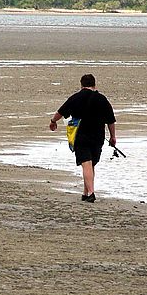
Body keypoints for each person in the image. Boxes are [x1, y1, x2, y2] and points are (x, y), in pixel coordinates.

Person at [49, 74, 116, 203]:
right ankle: (85, 193)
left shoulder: (75, 98)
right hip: (98, 136)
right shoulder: (102, 99)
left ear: (81, 85)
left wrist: (53, 121)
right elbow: (111, 120)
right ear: (94, 84)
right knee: (91, 165)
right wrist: (113, 137)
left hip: (81, 135)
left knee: (86, 164)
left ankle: (91, 192)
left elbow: (60, 112)